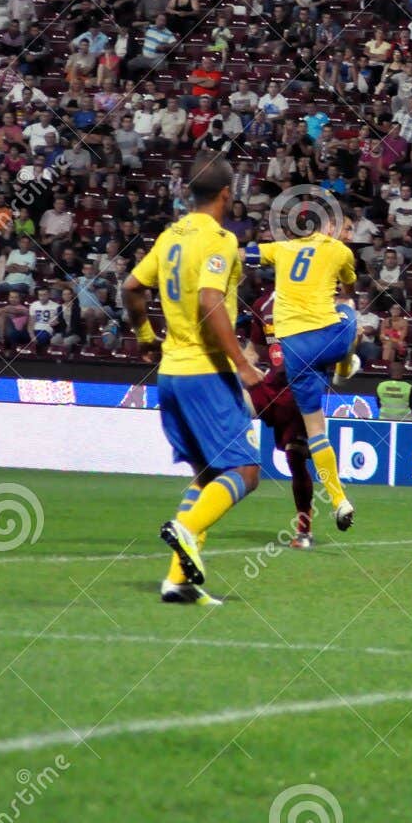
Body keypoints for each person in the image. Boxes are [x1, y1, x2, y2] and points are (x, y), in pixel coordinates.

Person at [123, 155, 263, 604]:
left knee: (206, 475)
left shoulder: (170, 235)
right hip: (206, 372)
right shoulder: (220, 239)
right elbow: (209, 299)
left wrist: (146, 335)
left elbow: (131, 287)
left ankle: (176, 581)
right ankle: (185, 529)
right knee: (245, 470)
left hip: (170, 373)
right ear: (227, 195)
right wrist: (242, 363)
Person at [243, 207, 361, 534]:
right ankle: (345, 365)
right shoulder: (339, 251)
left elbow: (245, 253)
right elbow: (351, 290)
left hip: (295, 357)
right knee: (350, 313)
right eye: (347, 229)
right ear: (330, 227)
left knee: (305, 448)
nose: (350, 236)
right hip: (313, 350)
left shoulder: (281, 250)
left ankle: (325, 511)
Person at [247, 359, 319, 550]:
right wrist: (248, 365)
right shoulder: (262, 327)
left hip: (297, 388)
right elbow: (253, 350)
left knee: (295, 456)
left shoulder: (304, 331)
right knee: (231, 404)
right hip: (270, 385)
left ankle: (304, 531)